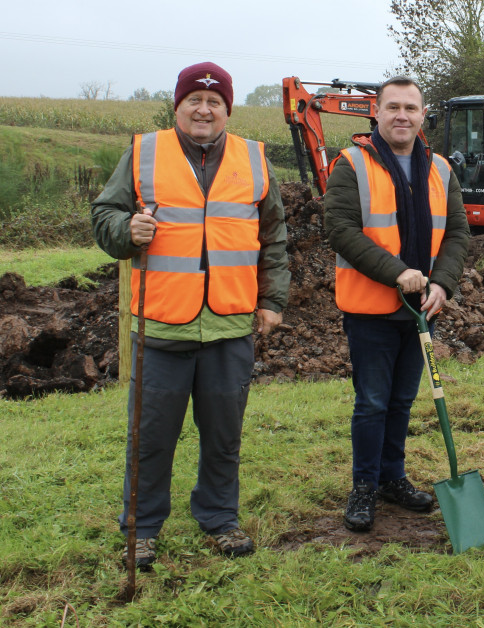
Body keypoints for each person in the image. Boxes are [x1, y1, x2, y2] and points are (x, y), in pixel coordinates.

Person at [92, 62, 290, 570]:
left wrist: (272, 301)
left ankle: (220, 519)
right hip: (161, 323)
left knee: (224, 434)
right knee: (152, 437)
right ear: (177, 106)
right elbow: (104, 214)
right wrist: (125, 229)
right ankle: (141, 528)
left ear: (227, 109)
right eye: (194, 102)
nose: (204, 111)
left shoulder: (254, 159)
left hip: (230, 325)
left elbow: (274, 238)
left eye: (215, 103)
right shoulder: (143, 152)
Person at [324, 76, 470, 532]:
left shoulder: (441, 169)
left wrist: (442, 284)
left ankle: (392, 477)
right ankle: (364, 485)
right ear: (377, 113)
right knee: (371, 402)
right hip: (370, 309)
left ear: (423, 115)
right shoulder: (350, 165)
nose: (401, 115)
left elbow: (459, 233)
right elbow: (341, 230)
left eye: (410, 108)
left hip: (422, 309)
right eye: (393, 107)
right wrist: (396, 273)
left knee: (402, 400)